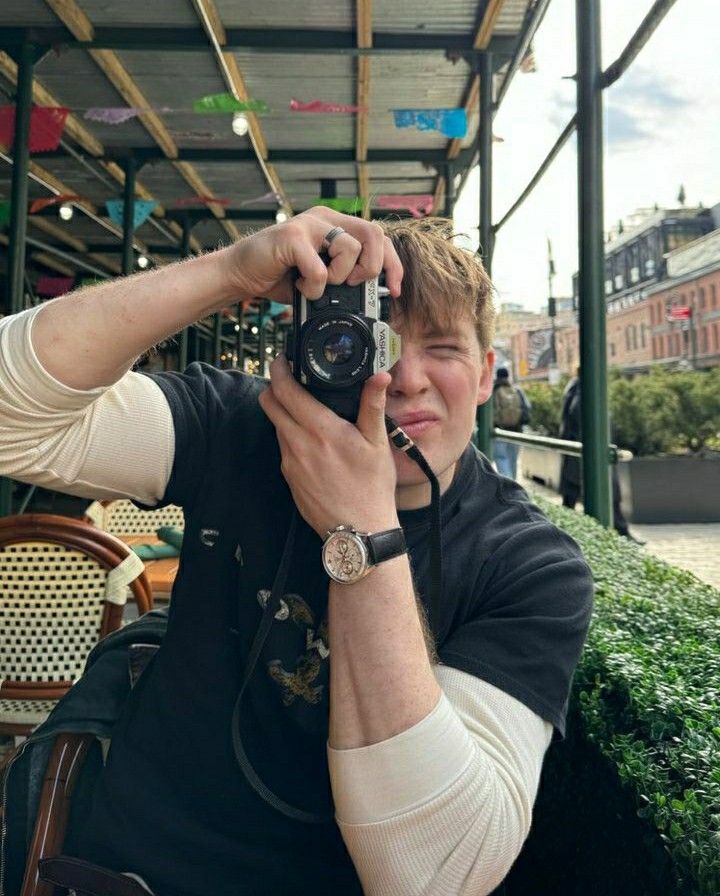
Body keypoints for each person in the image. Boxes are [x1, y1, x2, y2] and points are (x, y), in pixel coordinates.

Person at [0, 208, 593, 896]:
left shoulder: (530, 567)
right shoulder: (239, 427)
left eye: (444, 348)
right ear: (300, 353)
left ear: (487, 374)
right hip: (130, 871)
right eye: (364, 343)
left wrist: (361, 530)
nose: (402, 378)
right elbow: (15, 423)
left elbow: (434, 876)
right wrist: (226, 273)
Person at [559, 374, 645, 545]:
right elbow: (580, 415)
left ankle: (566, 533)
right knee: (607, 490)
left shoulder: (574, 389)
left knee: (571, 494)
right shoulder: (585, 390)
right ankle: (620, 531)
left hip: (581, 450)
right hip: (589, 450)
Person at [492, 366, 530, 479]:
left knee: (501, 458)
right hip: (516, 431)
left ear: (497, 376)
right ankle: (513, 486)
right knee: (513, 460)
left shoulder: (493, 391)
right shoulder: (517, 390)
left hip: (499, 431)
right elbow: (527, 408)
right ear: (508, 376)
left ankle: (506, 486)